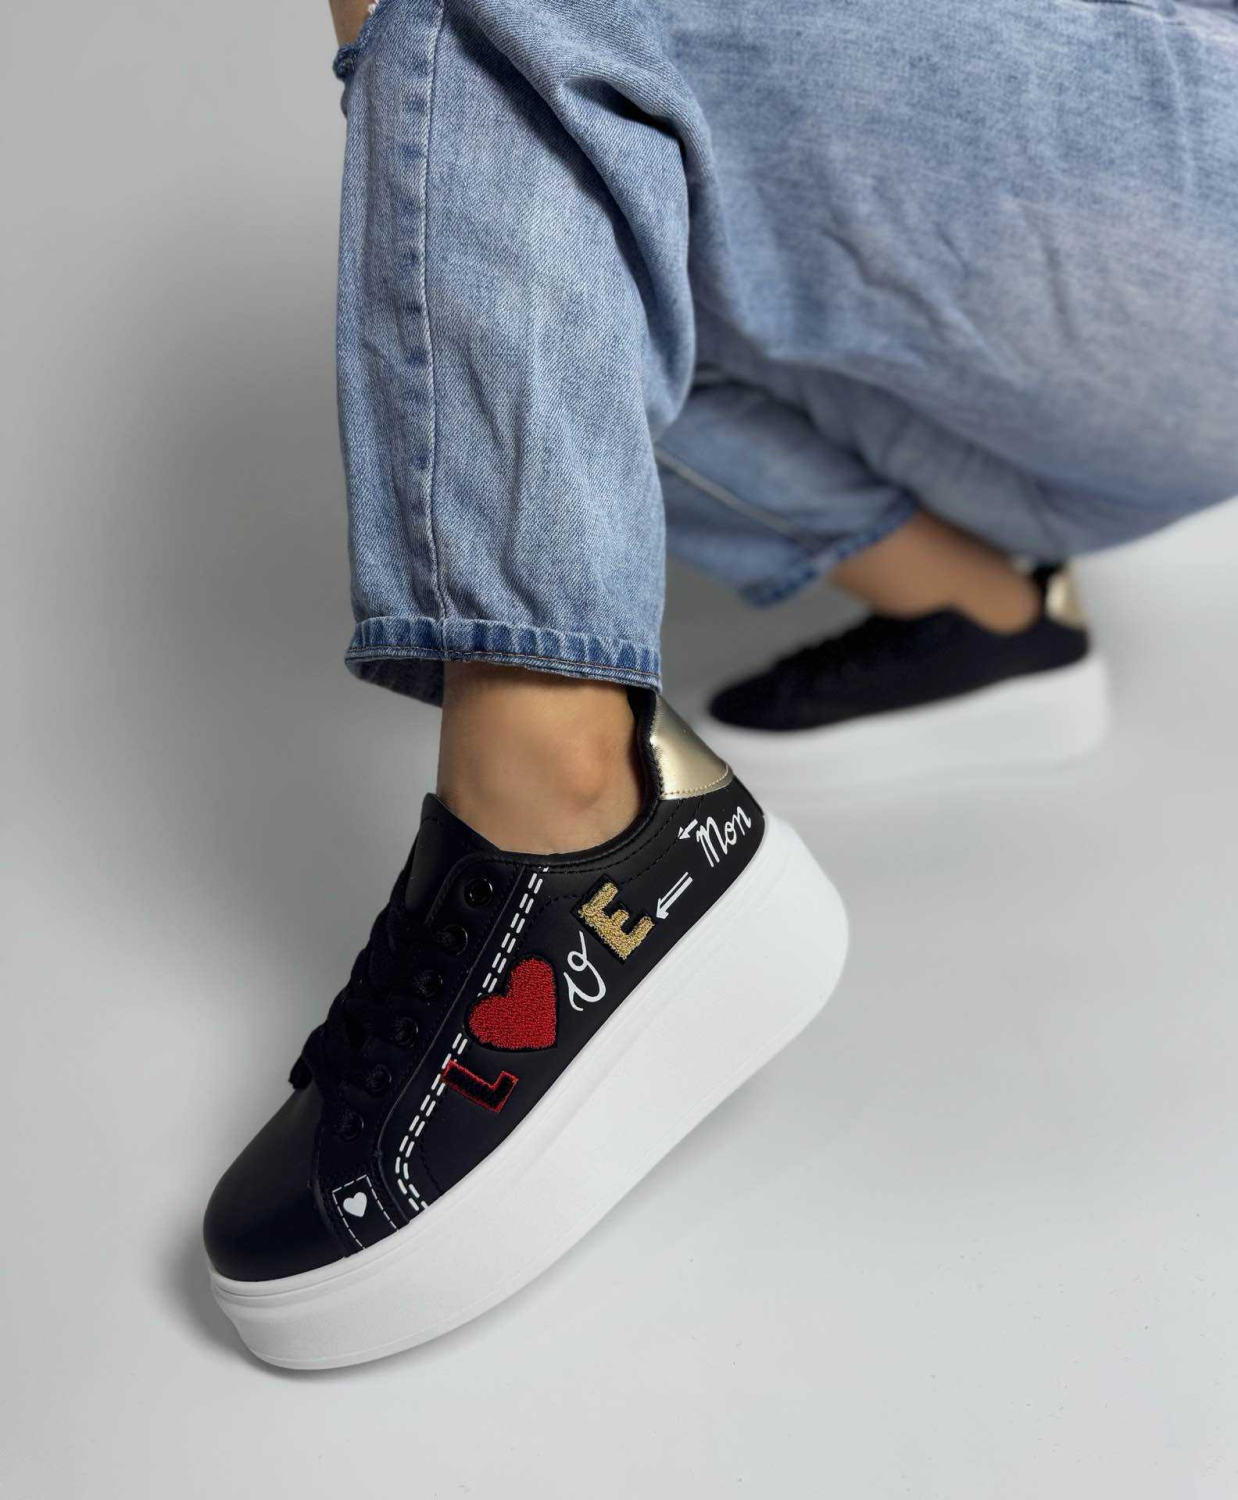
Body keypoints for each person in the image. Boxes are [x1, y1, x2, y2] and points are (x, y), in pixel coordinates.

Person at [203, 0, 1238, 1366]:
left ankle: (565, 808)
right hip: (1053, 360)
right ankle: (985, 610)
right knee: (529, 189)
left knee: (487, 39)